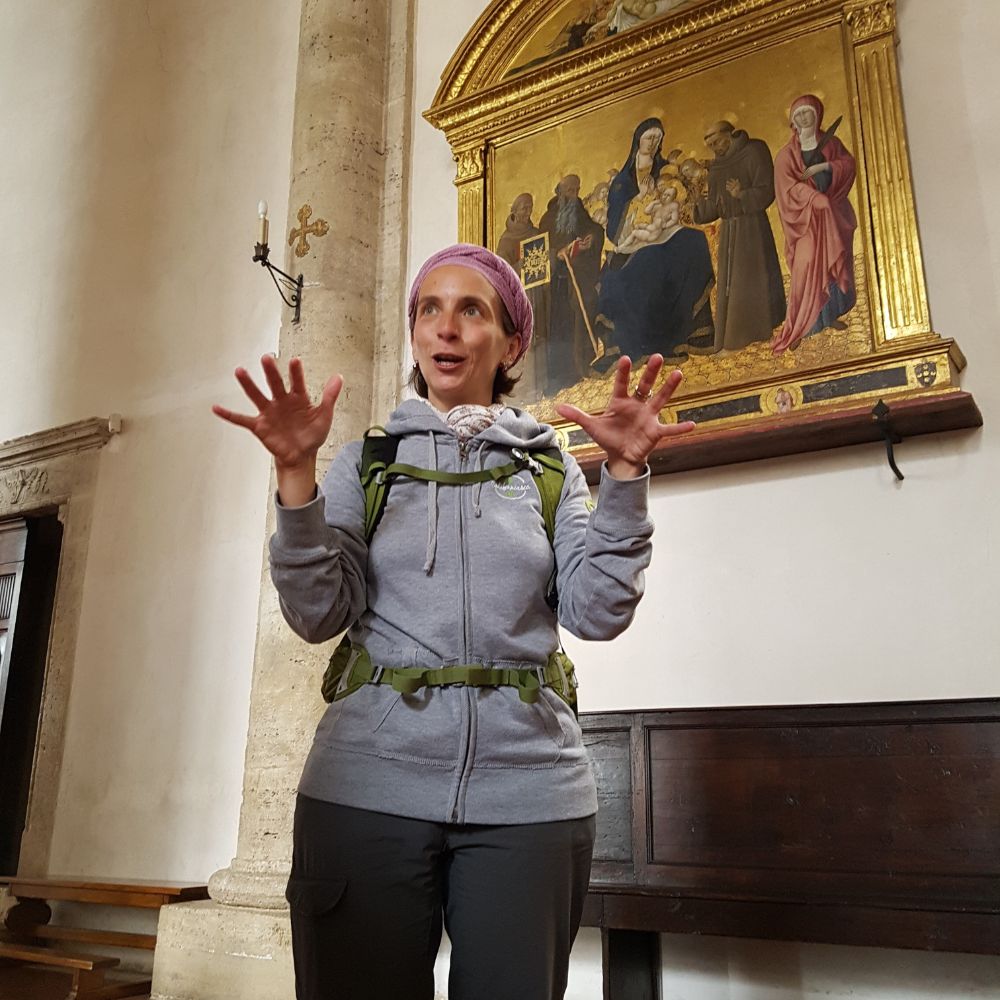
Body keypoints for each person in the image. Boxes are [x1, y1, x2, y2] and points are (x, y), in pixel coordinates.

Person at [212, 243, 695, 1000]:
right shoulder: (367, 462)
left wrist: (625, 478)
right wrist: (296, 477)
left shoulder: (549, 471)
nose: (445, 327)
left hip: (530, 794)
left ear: (511, 342)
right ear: (414, 335)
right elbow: (315, 613)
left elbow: (599, 611)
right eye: (429, 310)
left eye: (471, 310)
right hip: (366, 786)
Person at [597, 118, 715, 363]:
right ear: (638, 141)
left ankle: (696, 331)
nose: (653, 142)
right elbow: (614, 228)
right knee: (649, 259)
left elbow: (679, 197)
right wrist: (639, 198)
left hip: (664, 231)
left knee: (694, 241)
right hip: (635, 239)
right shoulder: (622, 182)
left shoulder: (665, 169)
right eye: (649, 137)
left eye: (657, 138)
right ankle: (650, 339)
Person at [771, 94, 858, 354]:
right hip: (805, 221)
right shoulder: (786, 155)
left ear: (817, 114)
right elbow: (786, 188)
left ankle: (830, 316)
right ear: (793, 122)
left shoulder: (832, 143)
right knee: (806, 264)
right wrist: (812, 198)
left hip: (833, 214)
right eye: (798, 115)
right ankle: (801, 326)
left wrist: (826, 167)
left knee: (832, 260)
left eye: (807, 112)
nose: (803, 118)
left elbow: (848, 165)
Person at [692, 120, 786, 352]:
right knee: (731, 284)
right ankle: (736, 335)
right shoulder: (716, 167)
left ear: (729, 134)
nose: (715, 148)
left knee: (751, 279)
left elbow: (767, 189)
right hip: (729, 230)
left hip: (752, 227)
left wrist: (742, 194)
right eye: (710, 146)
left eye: (717, 142)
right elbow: (714, 208)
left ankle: (754, 331)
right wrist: (697, 202)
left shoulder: (754, 151)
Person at [538, 175, 605, 394]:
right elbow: (540, 251)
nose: (574, 195)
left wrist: (591, 239)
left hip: (577, 275)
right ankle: (560, 376)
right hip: (557, 283)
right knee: (560, 328)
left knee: (584, 305)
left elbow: (594, 229)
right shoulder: (548, 219)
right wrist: (557, 254)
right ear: (559, 193)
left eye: (577, 190)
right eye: (570, 191)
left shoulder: (579, 212)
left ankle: (582, 363)